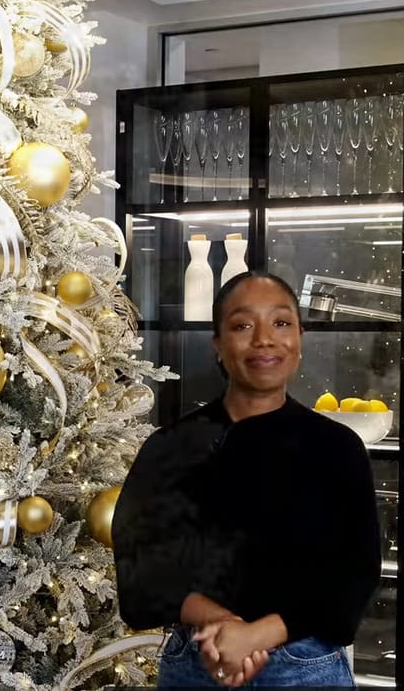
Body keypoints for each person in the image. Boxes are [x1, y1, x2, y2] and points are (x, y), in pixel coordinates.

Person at [112, 271, 381, 688]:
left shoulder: (338, 448)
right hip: (195, 665)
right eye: (242, 326)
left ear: (300, 338)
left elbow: (354, 577)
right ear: (218, 344)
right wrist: (220, 626)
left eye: (281, 322)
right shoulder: (170, 448)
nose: (264, 340)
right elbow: (138, 578)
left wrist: (257, 635)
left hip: (307, 671)